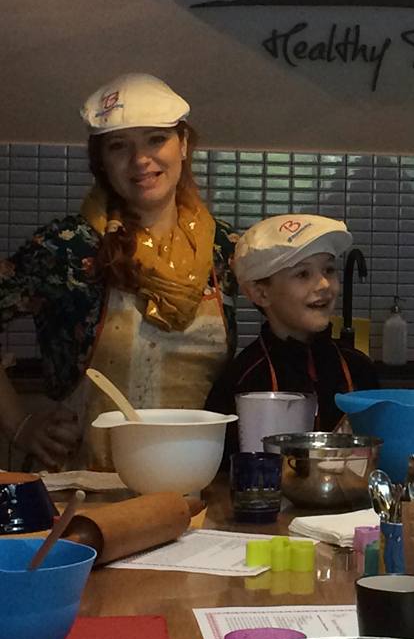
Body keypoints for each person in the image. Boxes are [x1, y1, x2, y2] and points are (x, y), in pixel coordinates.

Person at [0, 73, 238, 470]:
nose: (140, 159)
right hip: (80, 487)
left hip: (191, 486)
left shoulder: (224, 249)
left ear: (183, 145)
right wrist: (21, 426)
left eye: (156, 139)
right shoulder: (67, 248)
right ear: (101, 162)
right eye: (118, 145)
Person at [204, 214, 378, 455]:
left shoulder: (359, 369)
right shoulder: (243, 380)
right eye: (303, 274)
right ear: (260, 293)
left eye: (328, 270)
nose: (324, 285)